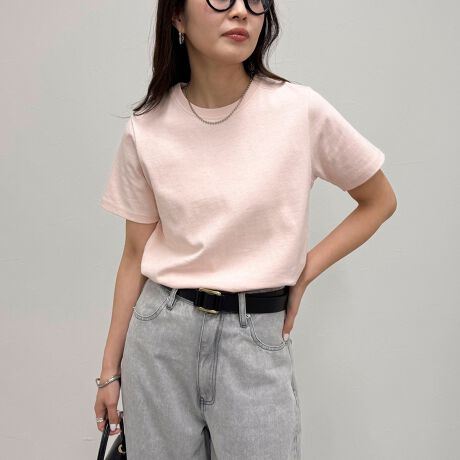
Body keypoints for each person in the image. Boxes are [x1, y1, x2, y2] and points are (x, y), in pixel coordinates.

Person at [93, 0, 397, 458]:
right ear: (176, 16)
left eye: (255, 1)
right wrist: (109, 372)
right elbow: (134, 255)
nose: (241, 12)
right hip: (160, 339)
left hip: (254, 338)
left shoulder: (298, 110)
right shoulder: (147, 127)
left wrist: (305, 271)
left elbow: (379, 200)